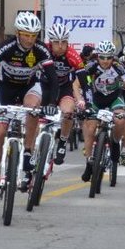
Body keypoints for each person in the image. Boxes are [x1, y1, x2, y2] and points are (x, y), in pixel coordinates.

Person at [0, 12, 58, 206]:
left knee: (32, 108)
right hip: (5, 89)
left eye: (34, 35)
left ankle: (28, 151)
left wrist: (51, 104)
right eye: (26, 34)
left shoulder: (40, 50)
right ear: (18, 33)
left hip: (29, 87)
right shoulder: (7, 47)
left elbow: (53, 79)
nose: (30, 39)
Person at [75, 40, 125, 184]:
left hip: (115, 98)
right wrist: (80, 100)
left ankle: (114, 142)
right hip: (96, 99)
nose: (105, 61)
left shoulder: (119, 67)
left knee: (120, 120)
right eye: (102, 57)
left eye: (109, 57)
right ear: (97, 56)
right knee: (90, 125)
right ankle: (89, 161)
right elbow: (76, 85)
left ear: (113, 57)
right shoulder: (91, 66)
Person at [42, 23, 85, 165]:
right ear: (50, 42)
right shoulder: (43, 51)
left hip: (64, 87)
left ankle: (62, 141)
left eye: (64, 42)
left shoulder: (72, 55)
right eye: (56, 42)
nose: (60, 46)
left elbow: (83, 79)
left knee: (68, 112)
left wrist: (87, 100)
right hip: (44, 86)